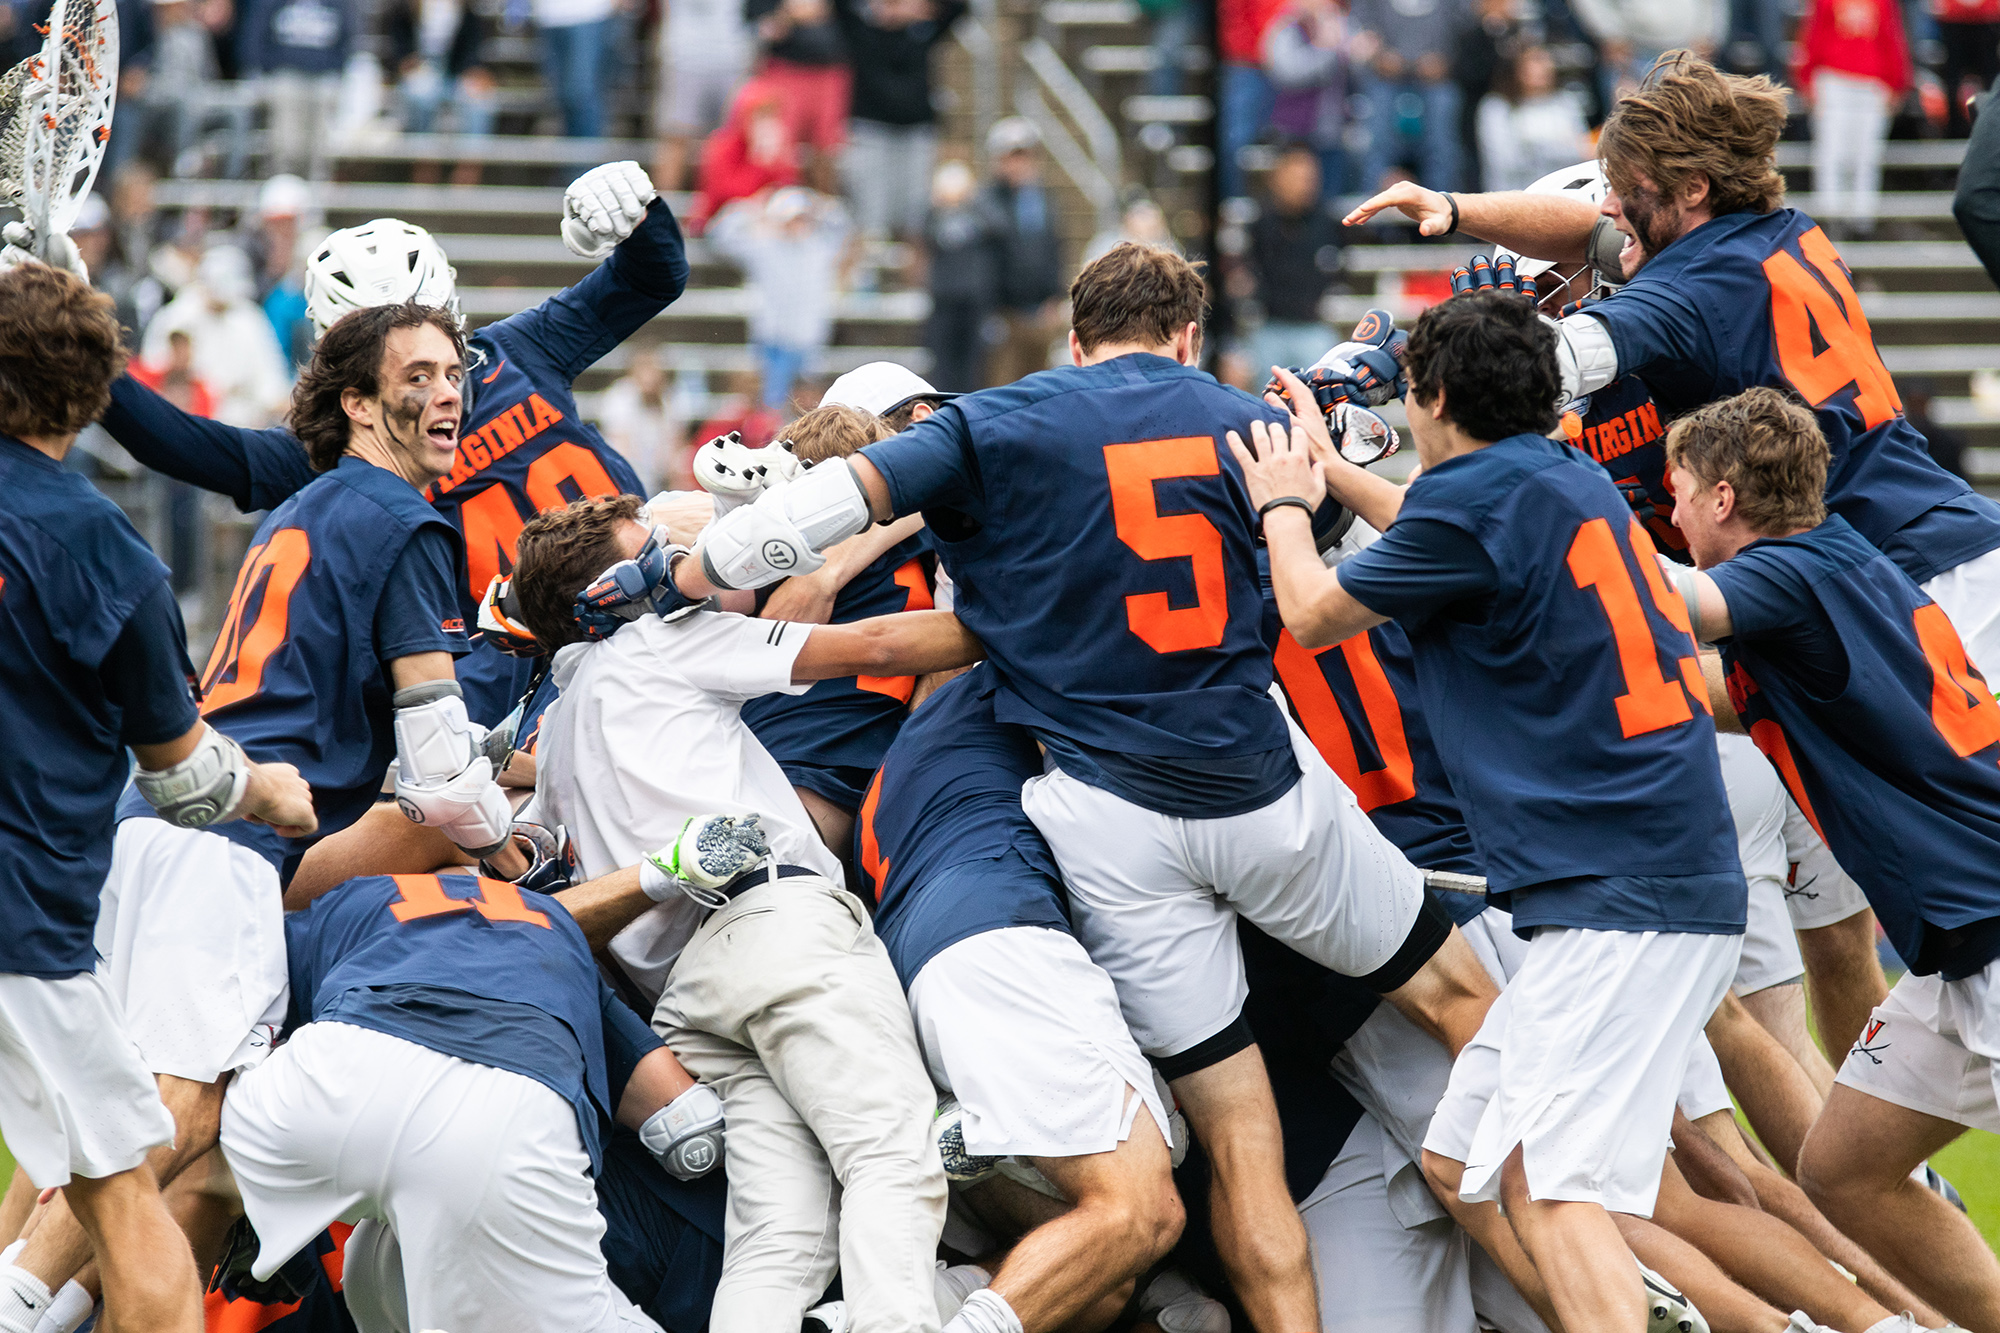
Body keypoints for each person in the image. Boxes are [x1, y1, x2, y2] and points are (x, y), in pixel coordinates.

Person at [722, 240, 1500, 1333]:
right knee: (1470, 1011)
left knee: (1238, 1152)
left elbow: (828, 511)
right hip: (1257, 789)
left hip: (1109, 828)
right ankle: (1585, 1226)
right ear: (1186, 336)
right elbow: (1322, 565)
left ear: (1074, 339)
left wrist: (699, 561)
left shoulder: (995, 426)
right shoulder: (1240, 420)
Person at [1236, 291, 1746, 1333]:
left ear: (1425, 396)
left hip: (1621, 894)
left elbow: (1310, 610)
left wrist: (1284, 503)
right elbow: (1435, 536)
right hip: (1640, 874)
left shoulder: (1473, 500)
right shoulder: (1556, 473)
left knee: (1554, 1192)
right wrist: (1331, 473)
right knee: (1465, 1156)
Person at [1343, 52, 2000, 730]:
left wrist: (1452, 342)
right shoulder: (1776, 230)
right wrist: (1452, 208)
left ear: (1691, 188)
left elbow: (1531, 373)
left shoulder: (1679, 299)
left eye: (1628, 187)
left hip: (1908, 575)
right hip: (1915, 550)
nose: (1608, 205)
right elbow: (1592, 233)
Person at [510, 493, 982, 1333]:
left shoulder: (564, 723)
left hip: (691, 994)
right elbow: (877, 644)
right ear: (610, 595)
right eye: (649, 550)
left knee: (779, 1238)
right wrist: (1045, 615)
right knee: (893, 1156)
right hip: (777, 932)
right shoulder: (663, 639)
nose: (672, 558)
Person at [0, 261, 314, 1333]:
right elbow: (182, 777)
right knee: (127, 1204)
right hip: (25, 922)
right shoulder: (104, 550)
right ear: (91, 393)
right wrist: (270, 791)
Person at [89, 164, 685, 728]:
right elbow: (193, 448)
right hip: (537, 660)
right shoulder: (367, 429)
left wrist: (637, 208)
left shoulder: (514, 352)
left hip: (636, 605)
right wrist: (76, 340)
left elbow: (651, 274)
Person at [1666, 386, 2000, 1331]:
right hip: (1958, 941)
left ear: (1724, 499)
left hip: (1990, 917)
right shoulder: (1835, 563)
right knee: (1842, 1167)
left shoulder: (1790, 576)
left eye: (1679, 489)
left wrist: (1536, 504)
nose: (1673, 507)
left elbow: (1668, 605)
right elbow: (1703, 696)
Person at [221, 868, 719, 1333]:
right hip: (510, 1133)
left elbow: (218, 1033)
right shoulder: (552, 939)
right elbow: (685, 1123)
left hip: (333, 1081)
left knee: (367, 1271)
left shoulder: (347, 904)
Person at [854, 665, 1185, 1333]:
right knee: (1142, 1207)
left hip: (917, 975)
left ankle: (913, 1304)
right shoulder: (1006, 672)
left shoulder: (894, 768)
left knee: (1094, 1279)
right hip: (996, 934)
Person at [708, 187, 852, 412]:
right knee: (771, 407)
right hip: (773, 341)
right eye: (792, 218)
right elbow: (720, 236)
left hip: (810, 341)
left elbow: (843, 225)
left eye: (802, 218)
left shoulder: (818, 249)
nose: (797, 225)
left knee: (808, 407)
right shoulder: (764, 247)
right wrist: (750, 209)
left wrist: (821, 205)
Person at [834, 0, 966, 245]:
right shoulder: (861, 29)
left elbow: (959, 7)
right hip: (871, 131)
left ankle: (915, 282)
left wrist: (923, 7)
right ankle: (864, 279)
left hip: (916, 131)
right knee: (868, 219)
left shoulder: (922, 30)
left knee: (915, 221)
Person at [139, 245, 293, 428]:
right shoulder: (175, 318)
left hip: (240, 426)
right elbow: (152, 374)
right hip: (186, 423)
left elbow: (272, 384)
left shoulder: (249, 319)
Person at [1795, 0, 1910, 239]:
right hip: (1832, 79)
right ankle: (1829, 218)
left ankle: (1862, 222)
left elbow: (1890, 35)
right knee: (1831, 153)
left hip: (1871, 83)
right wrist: (1806, 77)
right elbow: (1814, 33)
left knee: (1867, 156)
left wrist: (1897, 79)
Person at [980, 119, 1066, 389]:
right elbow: (986, 262)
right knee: (1003, 388)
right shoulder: (986, 203)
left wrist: (1055, 296)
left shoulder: (1042, 201)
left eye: (1024, 157)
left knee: (1040, 390)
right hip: (1005, 315)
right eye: (1010, 157)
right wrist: (991, 310)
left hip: (1041, 314)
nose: (1018, 165)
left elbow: (1053, 250)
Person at [1351, 0, 1469, 193]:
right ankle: (1370, 214)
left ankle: (1444, 212)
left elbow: (1465, 24)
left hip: (1437, 80)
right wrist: (1377, 56)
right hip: (1384, 78)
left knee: (1442, 149)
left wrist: (1447, 59)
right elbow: (1359, 22)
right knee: (1376, 146)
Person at [1244, 145, 1343, 374]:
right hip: (1270, 326)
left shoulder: (1327, 223)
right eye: (1297, 177)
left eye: (1310, 178)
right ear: (1278, 177)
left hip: (1313, 326)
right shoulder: (1261, 223)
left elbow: (1338, 271)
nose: (1305, 184)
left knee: (1325, 376)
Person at [235, 0, 357, 174]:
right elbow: (255, 38)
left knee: (321, 146)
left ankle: (315, 190)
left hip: (323, 77)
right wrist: (270, 68)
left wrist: (333, 67)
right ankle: (283, 185)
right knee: (288, 144)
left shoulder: (337, 3)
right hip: (285, 75)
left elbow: (347, 41)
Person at [746, 0, 851, 194]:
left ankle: (822, 209)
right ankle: (780, 206)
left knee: (827, 149)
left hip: (830, 71)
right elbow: (762, 27)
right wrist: (789, 13)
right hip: (784, 69)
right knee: (778, 149)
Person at [652, 0, 752, 190]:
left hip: (731, 57)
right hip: (684, 58)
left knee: (733, 144)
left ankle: (720, 210)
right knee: (676, 139)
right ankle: (662, 214)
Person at [923, 160, 999, 394]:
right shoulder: (933, 215)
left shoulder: (981, 212)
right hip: (944, 300)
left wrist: (972, 202)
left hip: (974, 301)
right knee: (942, 367)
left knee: (973, 367)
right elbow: (921, 232)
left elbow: (998, 228)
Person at [1475, 45, 1590, 192]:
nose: (1542, 68)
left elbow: (1584, 153)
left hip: (1563, 196)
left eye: (1545, 61)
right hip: (1514, 196)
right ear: (1516, 68)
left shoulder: (1566, 102)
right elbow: (1507, 161)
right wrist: (1564, 150)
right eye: (1534, 62)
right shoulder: (1496, 108)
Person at [534, 0, 617, 137]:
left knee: (580, 95)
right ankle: (573, 154)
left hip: (588, 15)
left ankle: (586, 156)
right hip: (548, 17)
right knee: (563, 98)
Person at [1937, 0, 2000, 136]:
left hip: (1986, 15)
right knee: (1953, 78)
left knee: (1991, 78)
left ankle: (1993, 127)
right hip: (1953, 15)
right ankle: (1954, 128)